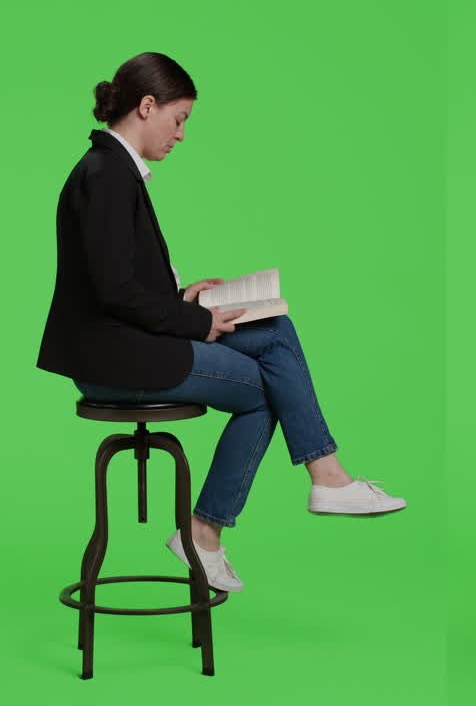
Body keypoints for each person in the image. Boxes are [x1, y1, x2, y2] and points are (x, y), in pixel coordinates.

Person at [37, 52, 406, 593]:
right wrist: (195, 320)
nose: (181, 134)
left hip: (124, 342)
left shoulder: (111, 171)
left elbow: (120, 281)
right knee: (268, 390)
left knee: (275, 328)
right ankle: (218, 526)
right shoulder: (108, 174)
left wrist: (183, 299)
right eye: (179, 118)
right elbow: (113, 292)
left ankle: (318, 481)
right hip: (114, 359)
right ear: (146, 107)